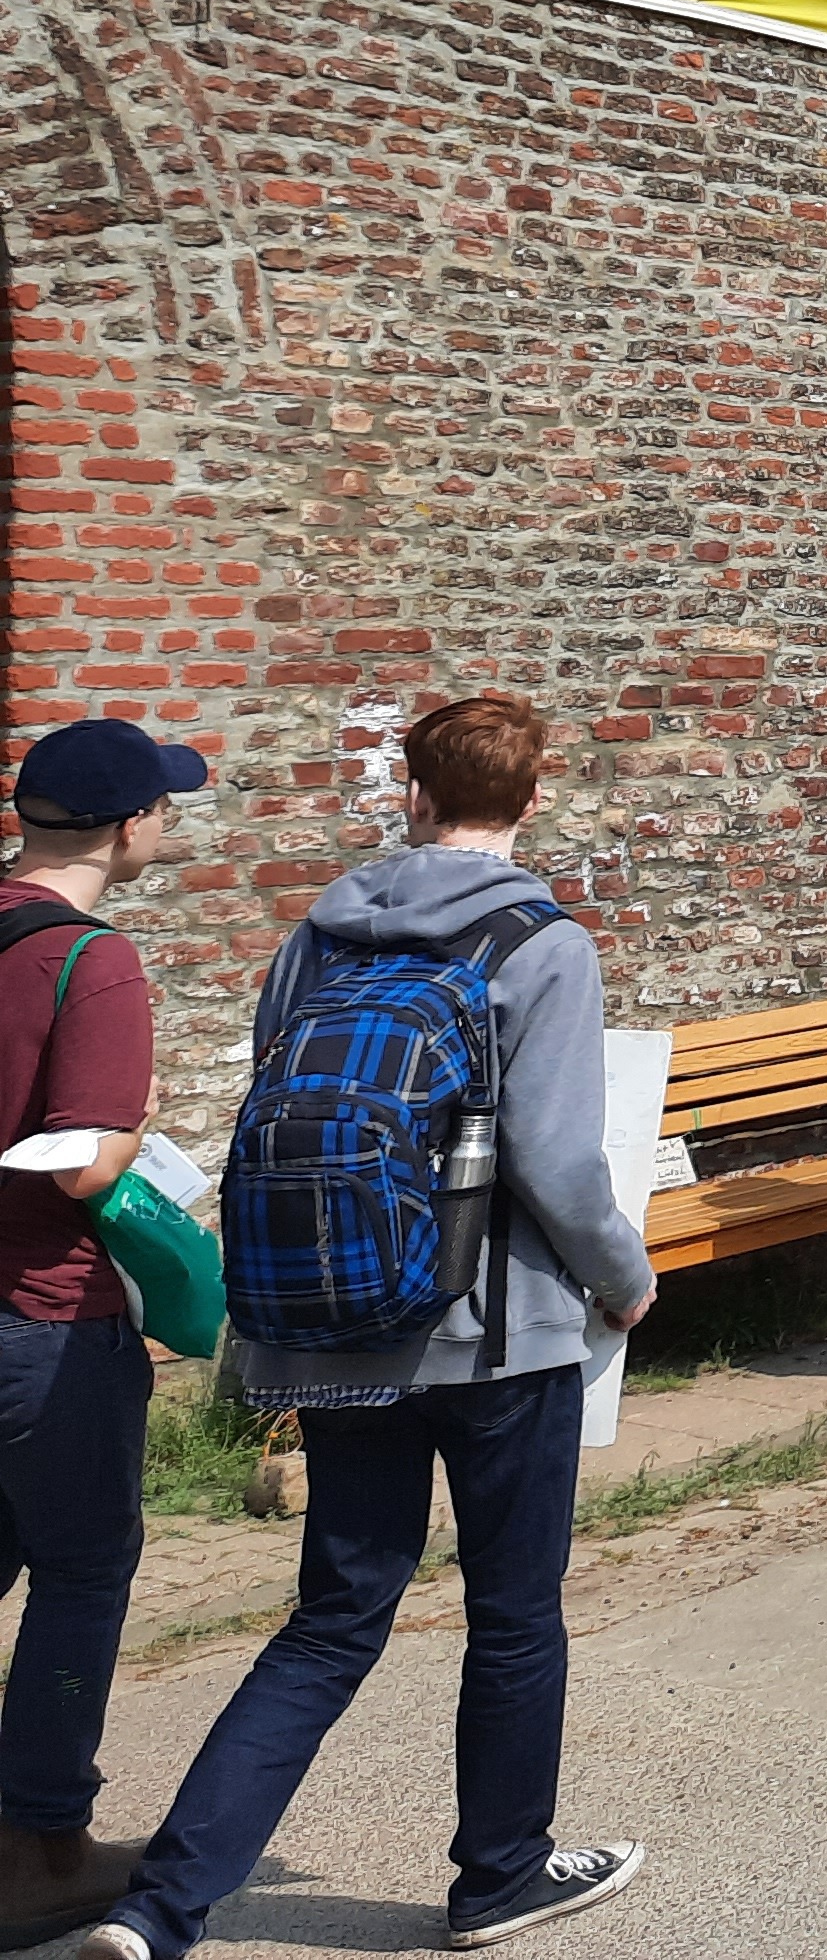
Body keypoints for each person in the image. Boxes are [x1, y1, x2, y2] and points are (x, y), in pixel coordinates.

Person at [94, 698, 652, 1960]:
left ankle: (159, 1908)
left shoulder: (316, 937)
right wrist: (625, 1275)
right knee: (514, 1611)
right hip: (497, 1337)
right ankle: (499, 1874)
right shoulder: (541, 941)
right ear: (533, 797)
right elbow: (558, 1162)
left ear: (407, 789)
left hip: (338, 1328)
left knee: (335, 1618)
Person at [0, 723, 192, 1944]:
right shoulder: (93, 962)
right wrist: (134, 1125)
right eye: (164, 809)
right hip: (44, 1316)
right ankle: (42, 1847)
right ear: (129, 829)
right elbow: (82, 1169)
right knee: (80, 1570)